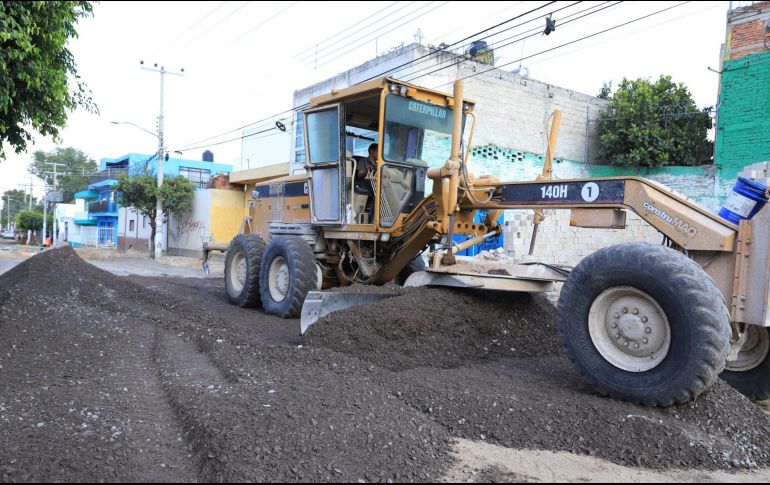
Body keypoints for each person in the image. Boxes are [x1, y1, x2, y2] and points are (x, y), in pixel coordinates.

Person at [354, 143, 378, 218]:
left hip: (376, 182)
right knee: (377, 190)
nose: (380, 153)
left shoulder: (379, 164)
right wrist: (368, 170)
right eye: (378, 150)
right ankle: (373, 216)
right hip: (365, 183)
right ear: (372, 151)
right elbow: (360, 174)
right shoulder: (363, 161)